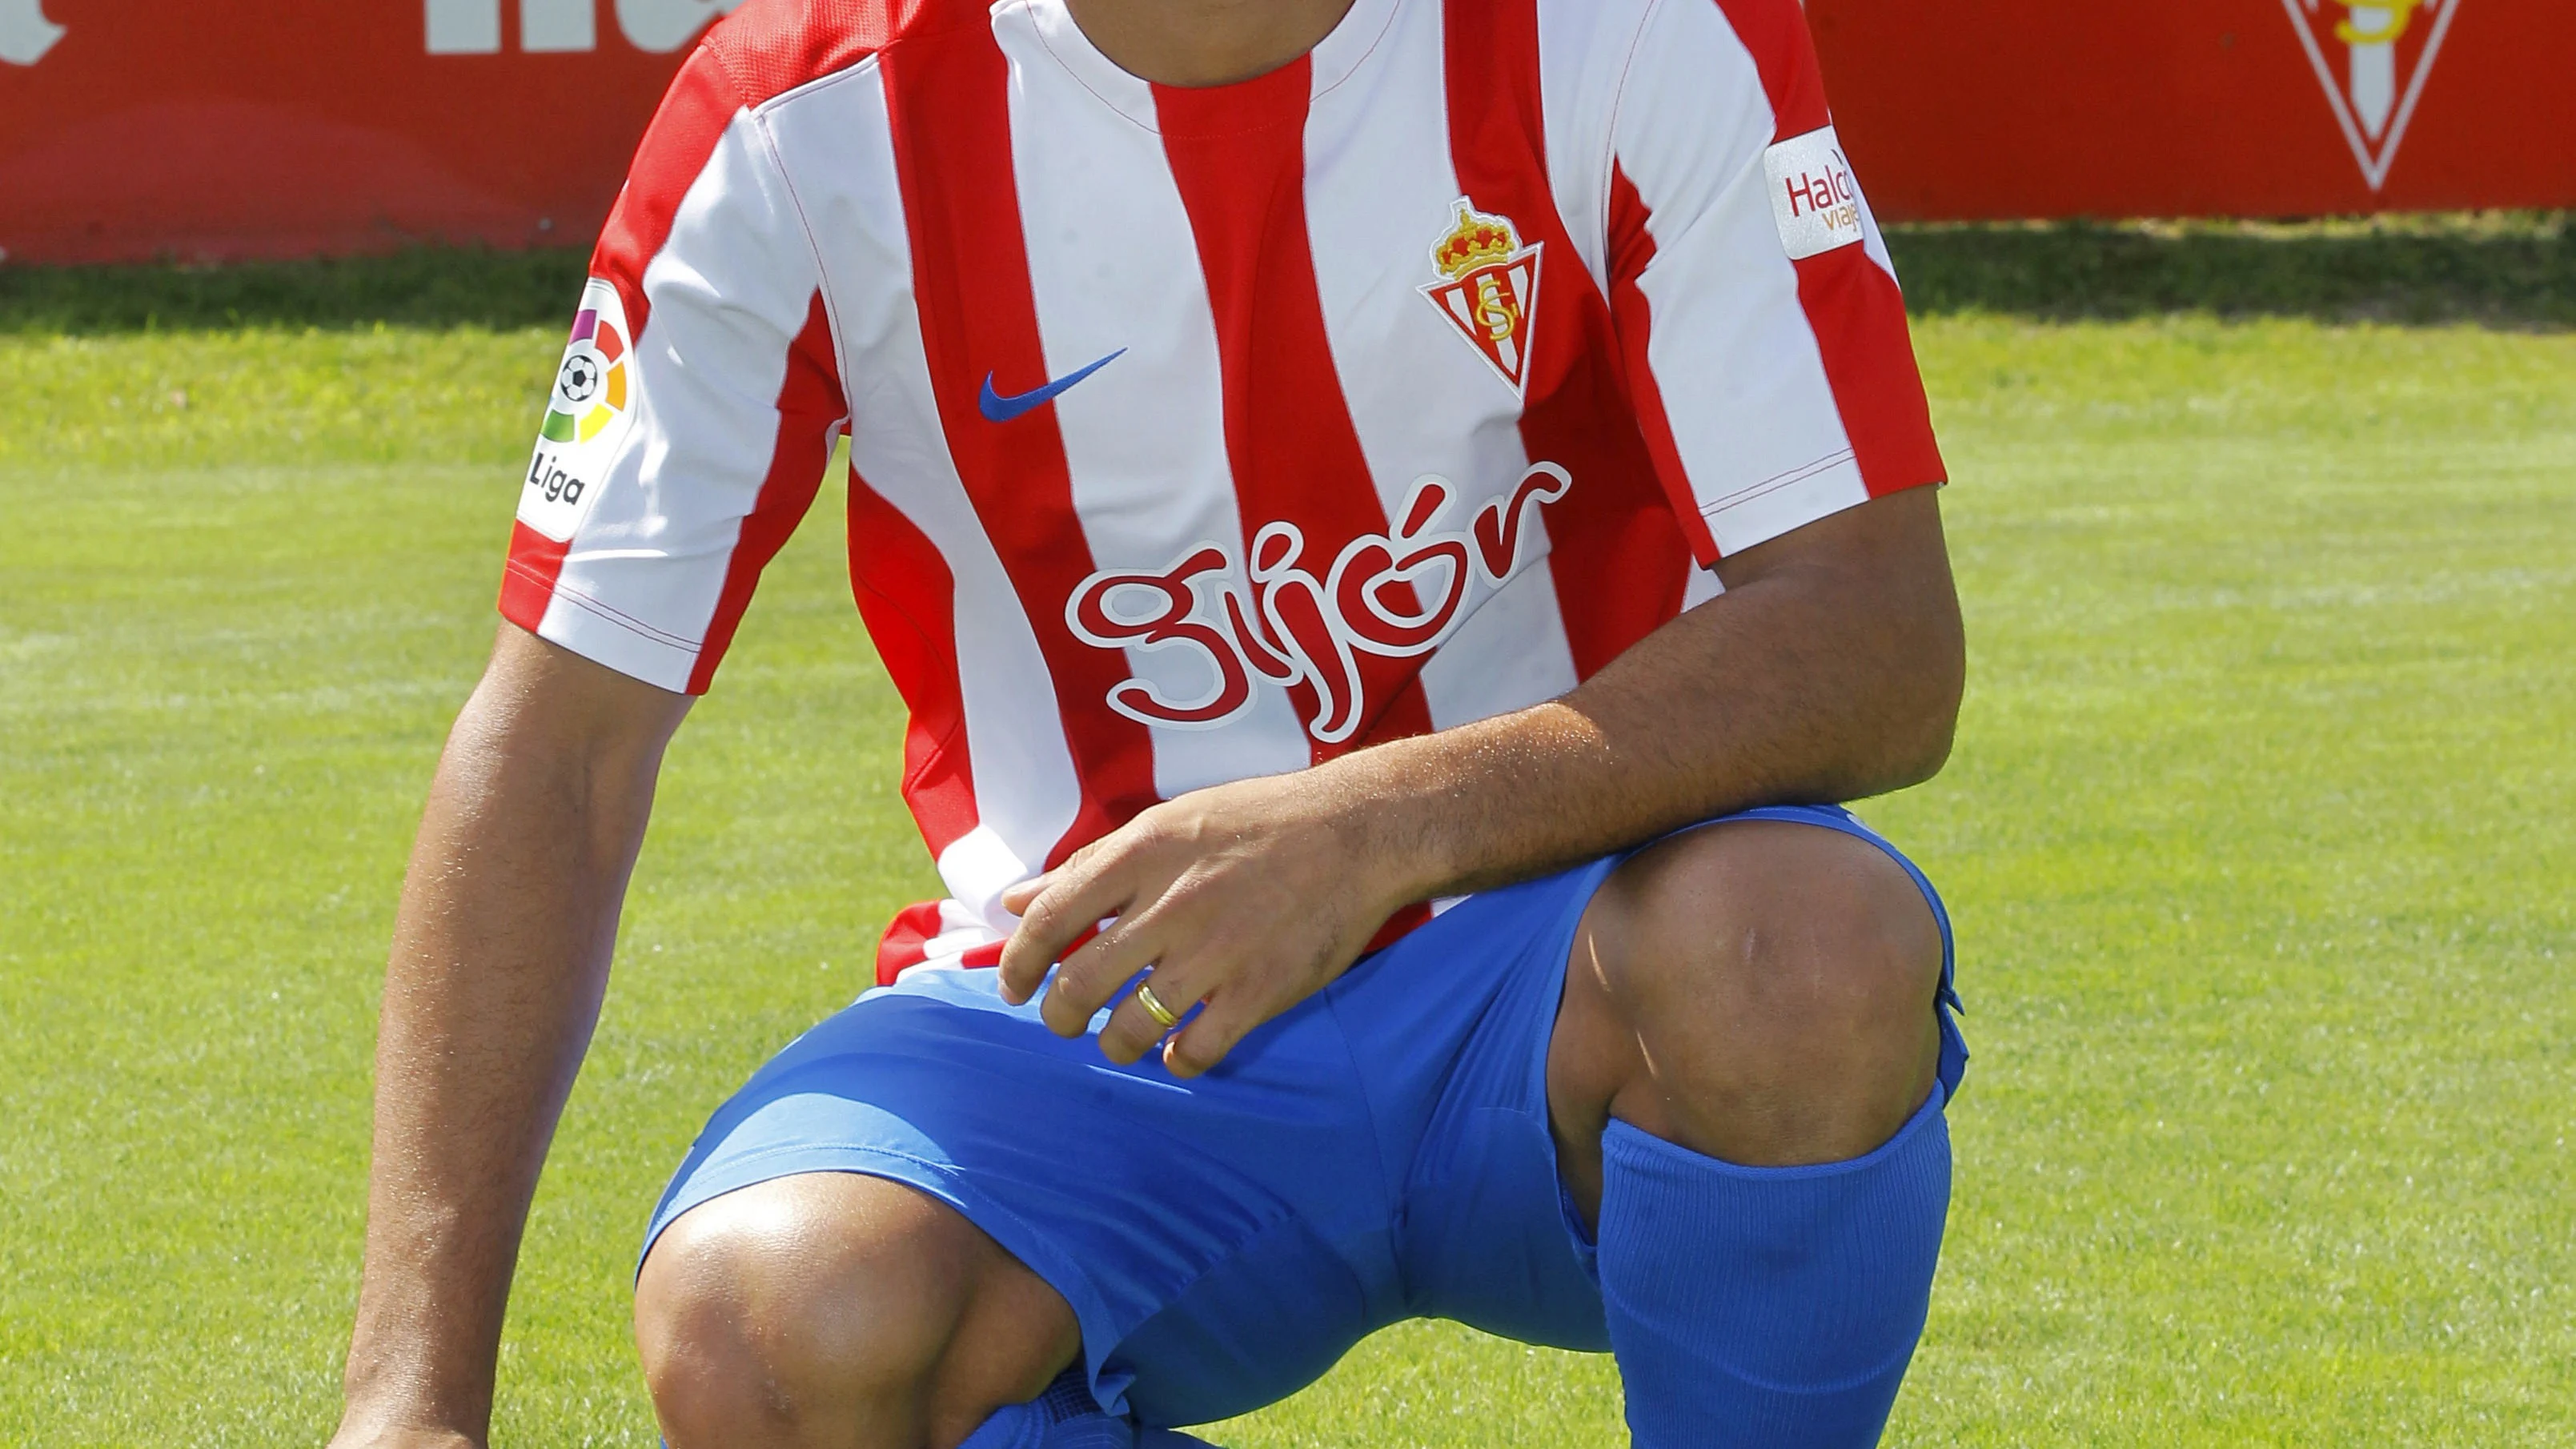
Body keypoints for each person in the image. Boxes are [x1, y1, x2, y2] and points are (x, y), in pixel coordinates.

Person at [327, 0, 1971, 1443]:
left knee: (1806, 945)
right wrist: (407, 1402)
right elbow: (562, 742)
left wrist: (1378, 822)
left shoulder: (1630, 24)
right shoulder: (795, 120)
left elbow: (1878, 631)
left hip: (1554, 969)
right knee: (766, 1323)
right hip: (1094, 1001)